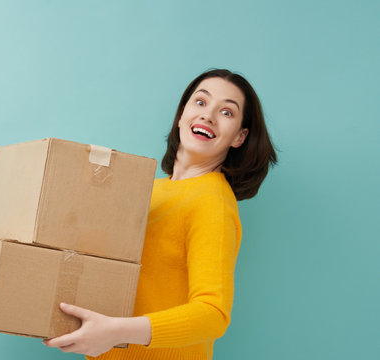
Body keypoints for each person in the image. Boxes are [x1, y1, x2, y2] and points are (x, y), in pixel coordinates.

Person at [43, 69, 277, 359]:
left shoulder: (212, 202)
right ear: (182, 115)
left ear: (240, 137)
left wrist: (116, 331)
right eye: (201, 103)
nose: (208, 116)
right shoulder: (150, 190)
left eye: (227, 112)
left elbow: (213, 314)